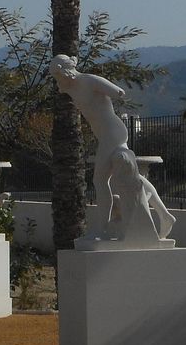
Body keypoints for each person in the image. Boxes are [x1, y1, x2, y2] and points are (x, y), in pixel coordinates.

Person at [51, 54, 130, 238]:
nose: (57, 80)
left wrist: (114, 93)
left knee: (100, 180)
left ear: (66, 71)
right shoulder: (69, 86)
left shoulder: (90, 81)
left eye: (57, 75)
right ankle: (162, 212)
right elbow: (63, 87)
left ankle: (102, 227)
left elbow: (119, 93)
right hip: (104, 136)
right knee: (118, 178)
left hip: (113, 132)